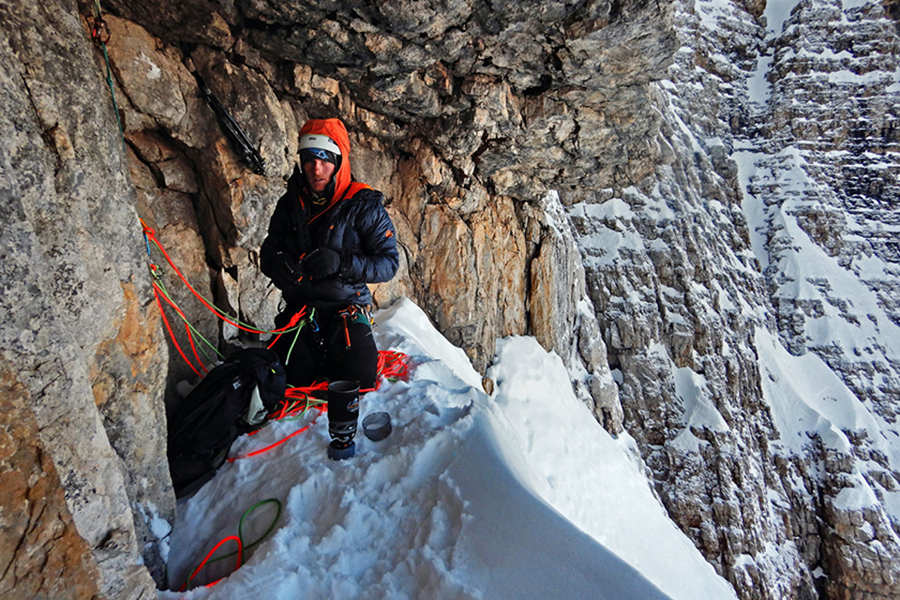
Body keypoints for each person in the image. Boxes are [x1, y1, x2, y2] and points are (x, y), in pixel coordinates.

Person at [260, 118, 399, 392]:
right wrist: (279, 265)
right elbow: (268, 252)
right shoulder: (290, 204)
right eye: (309, 160)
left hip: (346, 309)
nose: (317, 169)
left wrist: (341, 263)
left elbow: (388, 263)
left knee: (358, 381)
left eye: (325, 160)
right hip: (301, 309)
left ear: (340, 161)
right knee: (289, 377)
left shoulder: (363, 205)